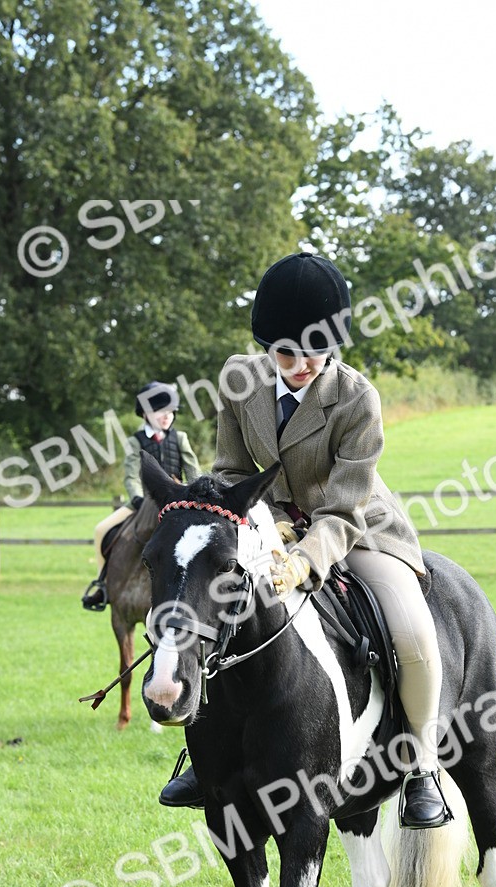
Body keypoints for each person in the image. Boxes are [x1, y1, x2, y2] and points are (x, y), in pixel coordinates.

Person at [159, 251, 451, 829]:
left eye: (313, 352)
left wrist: (302, 561)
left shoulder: (357, 399)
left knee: (414, 633)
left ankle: (421, 765)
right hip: (267, 524)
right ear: (266, 345)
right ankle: (201, 755)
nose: (299, 364)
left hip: (361, 528)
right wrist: (269, 530)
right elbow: (234, 471)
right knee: (214, 613)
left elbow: (344, 505)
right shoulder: (239, 381)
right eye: (285, 352)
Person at [82, 381, 200, 610]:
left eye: (170, 411)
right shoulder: (135, 441)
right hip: (144, 501)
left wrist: (192, 495)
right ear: (145, 414)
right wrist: (137, 498)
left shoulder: (180, 438)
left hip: (178, 501)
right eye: (160, 411)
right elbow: (131, 476)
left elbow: (192, 469)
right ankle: (103, 585)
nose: (167, 416)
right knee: (100, 530)